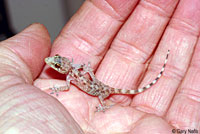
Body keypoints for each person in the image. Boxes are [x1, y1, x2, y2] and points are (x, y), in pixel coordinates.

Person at [0, 0, 199, 133]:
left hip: (102, 91)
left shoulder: (71, 76)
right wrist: (84, 73)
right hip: (98, 87)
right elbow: (78, 78)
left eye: (56, 63)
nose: (51, 63)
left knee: (110, 91)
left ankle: (155, 76)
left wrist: (100, 102)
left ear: (63, 66)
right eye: (55, 62)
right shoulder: (73, 73)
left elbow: (71, 85)